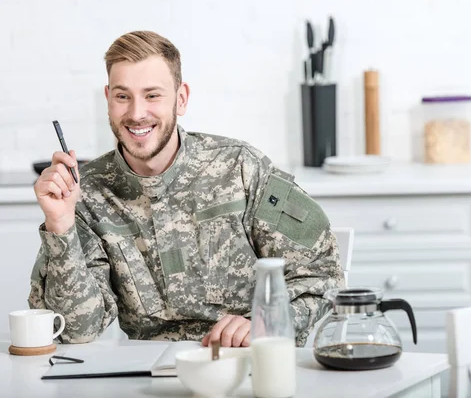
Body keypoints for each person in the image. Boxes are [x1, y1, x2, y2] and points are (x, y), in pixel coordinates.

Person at [28, 30, 344, 348]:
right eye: (123, 96)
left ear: (181, 99)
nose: (137, 113)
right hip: (146, 378)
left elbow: (322, 277)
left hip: (245, 366)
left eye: (152, 95)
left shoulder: (240, 168)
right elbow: (75, 331)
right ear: (109, 99)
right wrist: (61, 225)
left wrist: (266, 326)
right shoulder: (86, 192)